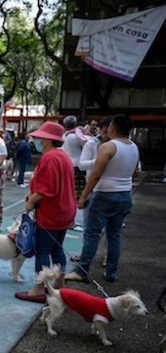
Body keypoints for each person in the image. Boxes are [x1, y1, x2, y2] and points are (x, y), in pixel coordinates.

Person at [65, 114, 140, 284]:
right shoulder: (134, 147)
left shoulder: (109, 147)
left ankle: (82, 271)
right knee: (114, 235)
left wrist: (84, 196)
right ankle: (111, 272)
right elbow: (135, 171)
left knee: (92, 233)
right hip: (125, 194)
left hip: (105, 194)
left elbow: (96, 174)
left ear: (113, 127)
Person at [15, 122, 76, 303]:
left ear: (48, 140)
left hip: (51, 212)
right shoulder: (64, 156)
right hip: (65, 210)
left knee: (43, 250)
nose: (36, 140)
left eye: (38, 137)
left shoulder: (49, 158)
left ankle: (38, 288)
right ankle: (59, 283)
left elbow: (46, 189)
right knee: (57, 248)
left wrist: (31, 202)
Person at [62, 115, 87, 230]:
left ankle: (67, 220)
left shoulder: (64, 136)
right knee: (76, 195)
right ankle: (71, 221)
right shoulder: (77, 136)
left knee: (68, 194)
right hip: (77, 167)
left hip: (67, 165)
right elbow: (87, 144)